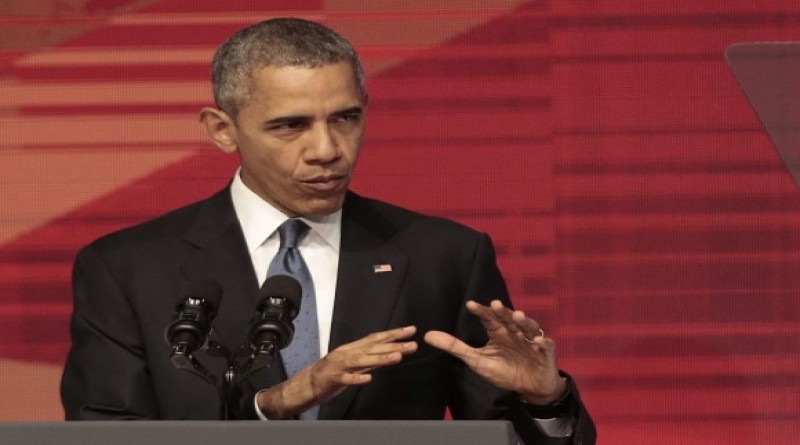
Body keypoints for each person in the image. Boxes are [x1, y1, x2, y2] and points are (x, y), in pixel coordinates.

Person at [60, 17, 596, 444]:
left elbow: (496, 431)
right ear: (222, 131)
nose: (326, 150)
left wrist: (545, 402)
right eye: (290, 125)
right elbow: (106, 433)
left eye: (345, 118)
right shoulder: (129, 268)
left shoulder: (444, 256)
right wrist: (270, 406)